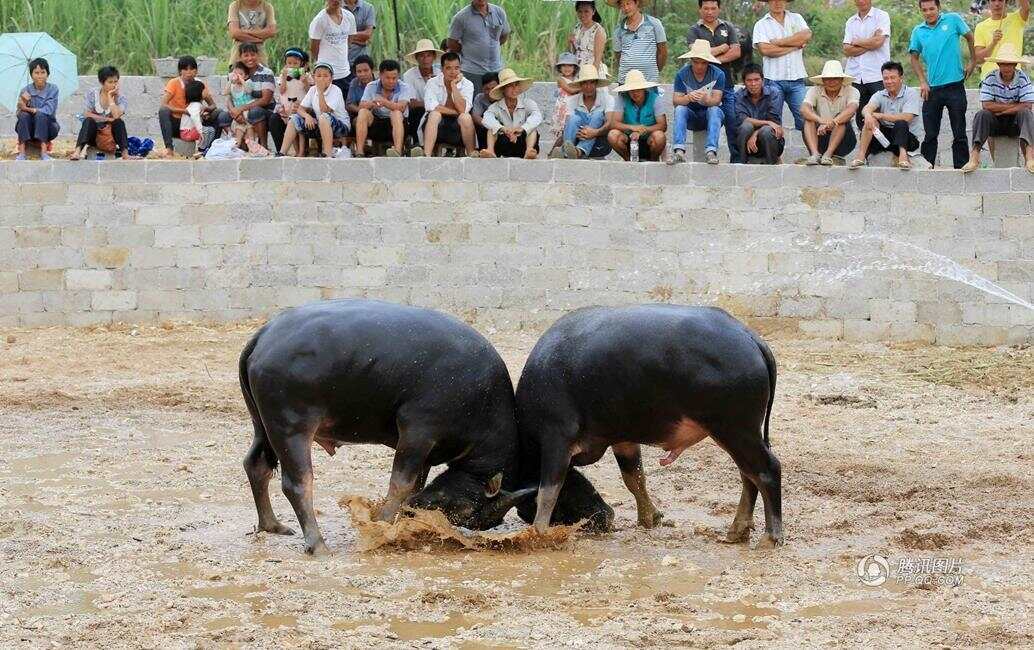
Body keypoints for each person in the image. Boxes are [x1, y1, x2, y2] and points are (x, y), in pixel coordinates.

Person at [909, 0, 976, 169]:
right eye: (924, 10)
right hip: (932, 89)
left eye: (932, 8)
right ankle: (927, 168)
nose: (929, 12)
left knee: (959, 132)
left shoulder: (953, 19)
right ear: (921, 11)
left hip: (955, 86)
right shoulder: (918, 31)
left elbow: (970, 37)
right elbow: (914, 58)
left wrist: (972, 62)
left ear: (939, 8)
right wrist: (922, 81)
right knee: (930, 133)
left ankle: (961, 169)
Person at [963, 44, 1034, 173]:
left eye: (1009, 64)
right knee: (981, 114)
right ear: (998, 65)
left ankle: (1030, 158)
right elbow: (987, 105)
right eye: (1003, 64)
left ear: (1015, 65)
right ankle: (974, 156)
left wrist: (1003, 110)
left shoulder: (1023, 78)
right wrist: (1014, 106)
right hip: (995, 122)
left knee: (1027, 113)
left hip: (1015, 123)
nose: (1006, 67)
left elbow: (1027, 105)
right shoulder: (990, 78)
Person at [688, 0, 742, 162]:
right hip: (701, 86)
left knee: (732, 121)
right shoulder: (694, 30)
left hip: (726, 85)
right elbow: (696, 54)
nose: (709, 12)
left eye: (713, 8)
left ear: (719, 9)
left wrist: (712, 59)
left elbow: (736, 52)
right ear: (700, 10)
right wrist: (722, 48)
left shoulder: (728, 27)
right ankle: (705, 159)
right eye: (706, 8)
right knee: (704, 120)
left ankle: (737, 160)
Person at [752, 0, 812, 133]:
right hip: (773, 80)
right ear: (768, 2)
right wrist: (795, 45)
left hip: (797, 79)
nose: (777, 2)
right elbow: (766, 50)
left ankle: (814, 153)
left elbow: (807, 35)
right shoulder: (761, 24)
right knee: (773, 122)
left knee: (806, 119)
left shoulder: (797, 18)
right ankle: (774, 154)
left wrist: (779, 42)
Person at [849, 61, 922, 169]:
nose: (889, 81)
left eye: (893, 78)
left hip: (907, 139)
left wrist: (881, 116)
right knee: (870, 121)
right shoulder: (880, 94)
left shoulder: (910, 93)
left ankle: (903, 157)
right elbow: (866, 108)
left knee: (901, 123)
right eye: (886, 78)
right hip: (885, 140)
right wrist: (869, 116)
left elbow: (907, 117)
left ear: (901, 78)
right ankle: (861, 156)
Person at [158, 56, 229, 158]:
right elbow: (163, 104)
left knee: (219, 113)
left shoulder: (199, 84)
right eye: (185, 69)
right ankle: (169, 149)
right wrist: (185, 111)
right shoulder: (174, 83)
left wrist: (205, 110)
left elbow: (213, 105)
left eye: (192, 69)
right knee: (163, 111)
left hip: (195, 123)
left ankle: (209, 148)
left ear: (196, 71)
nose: (189, 72)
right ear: (180, 71)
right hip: (178, 124)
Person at [412, 51, 477, 157]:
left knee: (466, 117)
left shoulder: (467, 84)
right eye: (448, 68)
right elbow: (431, 106)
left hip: (458, 126)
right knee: (434, 114)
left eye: (456, 68)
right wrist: (454, 112)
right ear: (442, 69)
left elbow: (463, 110)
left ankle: (471, 154)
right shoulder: (432, 82)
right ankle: (426, 154)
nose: (453, 72)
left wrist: (453, 86)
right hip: (437, 124)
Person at [671, 39, 726, 165]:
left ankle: (711, 151)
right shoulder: (682, 74)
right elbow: (676, 100)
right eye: (696, 62)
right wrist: (688, 98)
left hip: (709, 114)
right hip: (691, 115)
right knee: (680, 109)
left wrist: (707, 100)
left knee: (714, 110)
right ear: (691, 61)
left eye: (703, 63)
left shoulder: (718, 74)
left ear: (708, 62)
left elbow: (717, 100)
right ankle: (679, 150)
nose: (699, 66)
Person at [278, 61, 349, 157]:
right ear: (314, 77)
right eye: (318, 76)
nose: (321, 79)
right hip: (321, 124)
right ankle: (282, 152)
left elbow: (325, 110)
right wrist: (307, 116)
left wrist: (320, 92)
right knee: (294, 118)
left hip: (340, 127)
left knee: (324, 117)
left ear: (331, 78)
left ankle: (327, 154)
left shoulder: (336, 90)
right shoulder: (312, 90)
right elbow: (300, 109)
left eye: (325, 76)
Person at [843, 0, 891, 130]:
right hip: (856, 77)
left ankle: (884, 149)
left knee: (881, 115)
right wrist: (871, 41)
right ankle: (867, 150)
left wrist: (857, 42)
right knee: (860, 118)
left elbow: (879, 42)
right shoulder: (850, 21)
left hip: (877, 75)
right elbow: (847, 50)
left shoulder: (881, 16)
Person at [800, 60, 859, 165]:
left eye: (835, 78)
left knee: (841, 119)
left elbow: (851, 110)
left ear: (842, 79)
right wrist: (821, 121)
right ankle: (815, 154)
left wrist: (832, 122)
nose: (831, 82)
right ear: (823, 80)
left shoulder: (852, 91)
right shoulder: (814, 90)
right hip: (821, 135)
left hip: (845, 139)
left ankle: (828, 155)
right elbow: (804, 109)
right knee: (808, 120)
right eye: (828, 79)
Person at [553, 64, 614, 159]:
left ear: (596, 84)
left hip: (600, 141)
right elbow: (569, 125)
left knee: (597, 116)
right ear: (580, 85)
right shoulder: (572, 100)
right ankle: (568, 150)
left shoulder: (608, 98)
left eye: (592, 83)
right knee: (574, 118)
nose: (588, 86)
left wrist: (595, 132)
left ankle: (579, 151)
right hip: (577, 138)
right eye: (585, 83)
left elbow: (610, 123)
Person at [447, 0, 511, 89]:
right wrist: (469, 50)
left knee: (497, 99)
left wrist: (489, 47)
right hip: (472, 71)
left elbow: (504, 34)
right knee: (474, 100)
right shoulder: (461, 17)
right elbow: (451, 43)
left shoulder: (499, 12)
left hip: (497, 69)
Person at [354, 59, 411, 157]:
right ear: (380, 75)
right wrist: (372, 103)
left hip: (398, 124)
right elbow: (361, 106)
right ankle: (359, 151)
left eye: (394, 78)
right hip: (377, 123)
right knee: (363, 112)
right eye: (387, 78)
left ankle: (397, 151)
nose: (391, 81)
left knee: (396, 113)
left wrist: (384, 102)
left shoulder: (404, 87)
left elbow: (401, 107)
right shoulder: (371, 86)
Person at [71, 66, 130, 161]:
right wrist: (107, 119)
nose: (114, 85)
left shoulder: (121, 98)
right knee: (88, 121)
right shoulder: (92, 94)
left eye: (116, 82)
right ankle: (77, 151)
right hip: (94, 133)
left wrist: (111, 98)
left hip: (110, 135)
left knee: (119, 122)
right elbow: (87, 114)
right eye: (110, 82)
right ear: (102, 83)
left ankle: (125, 154)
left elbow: (116, 116)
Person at [481, 69, 542, 159]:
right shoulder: (496, 106)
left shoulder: (527, 103)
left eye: (516, 85)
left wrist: (522, 128)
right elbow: (486, 118)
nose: (514, 88)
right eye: (510, 86)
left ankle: (529, 151)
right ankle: (490, 150)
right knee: (492, 129)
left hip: (522, 143)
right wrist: (503, 129)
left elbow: (537, 116)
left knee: (533, 129)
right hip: (504, 143)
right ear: (503, 89)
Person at [607, 70, 667, 161]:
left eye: (638, 89)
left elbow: (663, 125)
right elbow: (613, 123)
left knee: (660, 136)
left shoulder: (655, 98)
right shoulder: (622, 98)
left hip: (649, 138)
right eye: (631, 90)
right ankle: (628, 160)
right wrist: (632, 128)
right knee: (612, 135)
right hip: (629, 139)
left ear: (644, 89)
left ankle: (653, 161)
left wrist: (643, 130)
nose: (635, 93)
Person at [735, 62, 786, 165]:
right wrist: (767, 122)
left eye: (756, 80)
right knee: (745, 127)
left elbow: (774, 122)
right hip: (746, 142)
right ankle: (742, 165)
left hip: (771, 141)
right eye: (749, 80)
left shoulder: (774, 93)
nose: (753, 84)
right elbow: (742, 119)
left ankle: (772, 165)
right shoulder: (739, 95)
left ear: (762, 80)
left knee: (767, 130)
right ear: (744, 82)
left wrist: (755, 134)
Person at [609, 0, 668, 84]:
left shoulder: (654, 23)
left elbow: (662, 52)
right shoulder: (618, 29)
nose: (626, 8)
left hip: (649, 79)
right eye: (622, 5)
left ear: (637, 3)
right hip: (625, 80)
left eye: (628, 3)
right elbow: (618, 55)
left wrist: (653, 70)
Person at [233, 42, 277, 149]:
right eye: (246, 55)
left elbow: (265, 100)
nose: (250, 58)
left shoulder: (266, 73)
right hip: (243, 109)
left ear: (258, 55)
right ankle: (238, 144)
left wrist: (241, 108)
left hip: (266, 111)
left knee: (255, 111)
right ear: (240, 57)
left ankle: (263, 145)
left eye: (253, 54)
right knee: (223, 116)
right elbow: (230, 96)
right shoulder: (237, 73)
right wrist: (233, 111)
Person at [309, 0, 357, 97]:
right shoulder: (320, 20)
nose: (335, 1)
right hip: (327, 74)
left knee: (347, 106)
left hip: (345, 71)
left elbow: (350, 39)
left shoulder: (349, 17)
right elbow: (314, 47)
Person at [14, 58, 59, 161]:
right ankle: (22, 153)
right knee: (23, 115)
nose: (40, 76)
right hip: (29, 128)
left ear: (47, 74)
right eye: (36, 73)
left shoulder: (53, 89)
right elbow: (19, 114)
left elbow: (48, 110)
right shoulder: (26, 90)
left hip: (49, 127)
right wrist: (22, 103)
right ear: (31, 75)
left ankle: (44, 153)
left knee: (41, 115)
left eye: (43, 72)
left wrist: (29, 109)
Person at [269, 48, 312, 154]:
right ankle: (290, 150)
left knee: (297, 125)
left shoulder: (306, 76)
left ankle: (301, 151)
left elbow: (309, 92)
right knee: (280, 120)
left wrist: (305, 81)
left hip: (300, 106)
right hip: (286, 106)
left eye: (295, 63)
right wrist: (283, 78)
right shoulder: (283, 76)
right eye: (289, 63)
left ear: (301, 63)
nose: (292, 65)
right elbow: (282, 91)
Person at [402, 39, 444, 145]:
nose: (425, 59)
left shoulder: (440, 75)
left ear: (433, 57)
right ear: (416, 58)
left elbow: (444, 98)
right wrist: (431, 105)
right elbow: (412, 103)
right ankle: (418, 144)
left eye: (428, 55)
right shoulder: (409, 75)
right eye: (421, 56)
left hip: (438, 111)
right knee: (418, 112)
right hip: (418, 112)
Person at [974, 0, 1030, 79]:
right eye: (993, 0)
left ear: (1006, 2)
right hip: (989, 79)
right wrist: (993, 43)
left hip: (1015, 78)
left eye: (1000, 0)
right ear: (988, 2)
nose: (997, 4)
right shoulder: (980, 27)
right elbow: (979, 60)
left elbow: (1026, 8)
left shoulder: (1017, 18)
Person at [227, 0, 278, 64]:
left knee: (263, 73)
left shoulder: (267, 7)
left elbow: (271, 31)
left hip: (259, 55)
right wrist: (258, 39)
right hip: (238, 55)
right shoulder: (235, 5)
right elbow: (234, 33)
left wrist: (244, 32)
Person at [550, 53, 581, 157]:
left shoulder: (577, 80)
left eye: (570, 65)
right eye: (564, 66)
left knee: (570, 131)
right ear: (560, 68)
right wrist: (583, 89)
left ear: (574, 67)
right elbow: (570, 90)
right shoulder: (561, 79)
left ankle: (565, 152)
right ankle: (552, 151)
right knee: (563, 133)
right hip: (564, 108)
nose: (567, 68)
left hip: (574, 108)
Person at [571, 1, 608, 78]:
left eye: (586, 11)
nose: (582, 15)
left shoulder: (598, 30)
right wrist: (571, 43)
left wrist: (592, 77)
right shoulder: (577, 28)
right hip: (577, 69)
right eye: (580, 11)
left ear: (593, 11)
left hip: (591, 69)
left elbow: (597, 59)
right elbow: (574, 51)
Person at [343, 0, 376, 81]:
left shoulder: (368, 8)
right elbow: (334, 35)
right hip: (341, 64)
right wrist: (361, 40)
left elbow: (367, 34)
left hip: (362, 63)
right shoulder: (336, 6)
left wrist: (345, 36)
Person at [225, 61, 257, 146]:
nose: (237, 76)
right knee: (238, 129)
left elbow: (249, 90)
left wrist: (242, 80)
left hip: (248, 113)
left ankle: (252, 146)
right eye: (235, 73)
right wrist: (230, 81)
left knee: (249, 130)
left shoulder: (248, 83)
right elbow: (225, 92)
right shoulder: (232, 86)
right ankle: (236, 146)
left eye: (241, 74)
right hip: (238, 115)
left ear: (246, 76)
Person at [471, 72, 500, 151]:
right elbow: (476, 116)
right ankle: (483, 149)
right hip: (486, 127)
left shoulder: (505, 97)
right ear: (482, 89)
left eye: (493, 88)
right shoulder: (479, 98)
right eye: (487, 89)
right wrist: (490, 125)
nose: (490, 92)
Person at [346, 54, 375, 126]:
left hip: (378, 116)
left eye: (366, 70)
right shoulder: (354, 83)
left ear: (372, 70)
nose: (362, 74)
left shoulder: (379, 82)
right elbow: (349, 104)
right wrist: (362, 111)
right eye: (359, 71)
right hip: (359, 115)